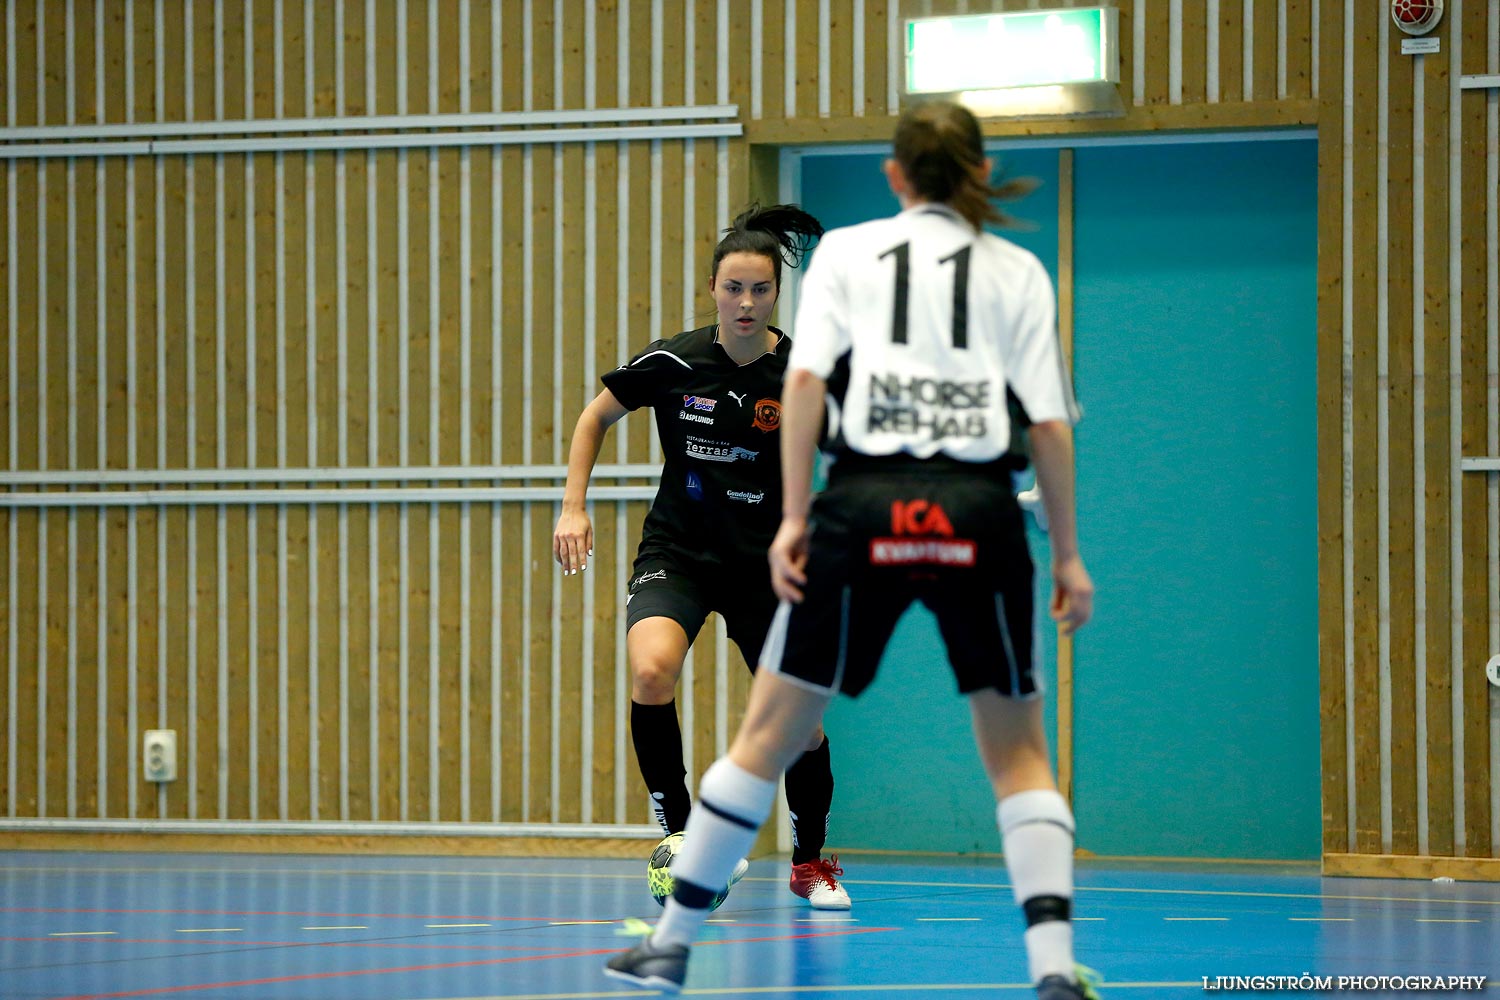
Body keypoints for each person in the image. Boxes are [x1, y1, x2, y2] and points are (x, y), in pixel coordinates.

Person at [604, 100, 1100, 999]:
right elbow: (1053, 426)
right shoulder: (1018, 270)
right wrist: (1066, 553)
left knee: (768, 734)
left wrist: (795, 518)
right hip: (978, 509)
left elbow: (801, 389)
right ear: (980, 174)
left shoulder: (848, 256)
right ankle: (1054, 968)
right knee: (1020, 753)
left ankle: (671, 943)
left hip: (865, 506)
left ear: (894, 176)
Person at [553, 203, 852, 910]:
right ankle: (686, 841)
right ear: (713, 289)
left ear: (778, 293)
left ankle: (809, 863)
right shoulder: (674, 360)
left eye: (760, 290)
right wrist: (573, 506)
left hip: (767, 566)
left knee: (801, 727)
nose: (745, 303)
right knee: (651, 669)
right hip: (680, 552)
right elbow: (594, 416)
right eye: (732, 289)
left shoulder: (806, 374)